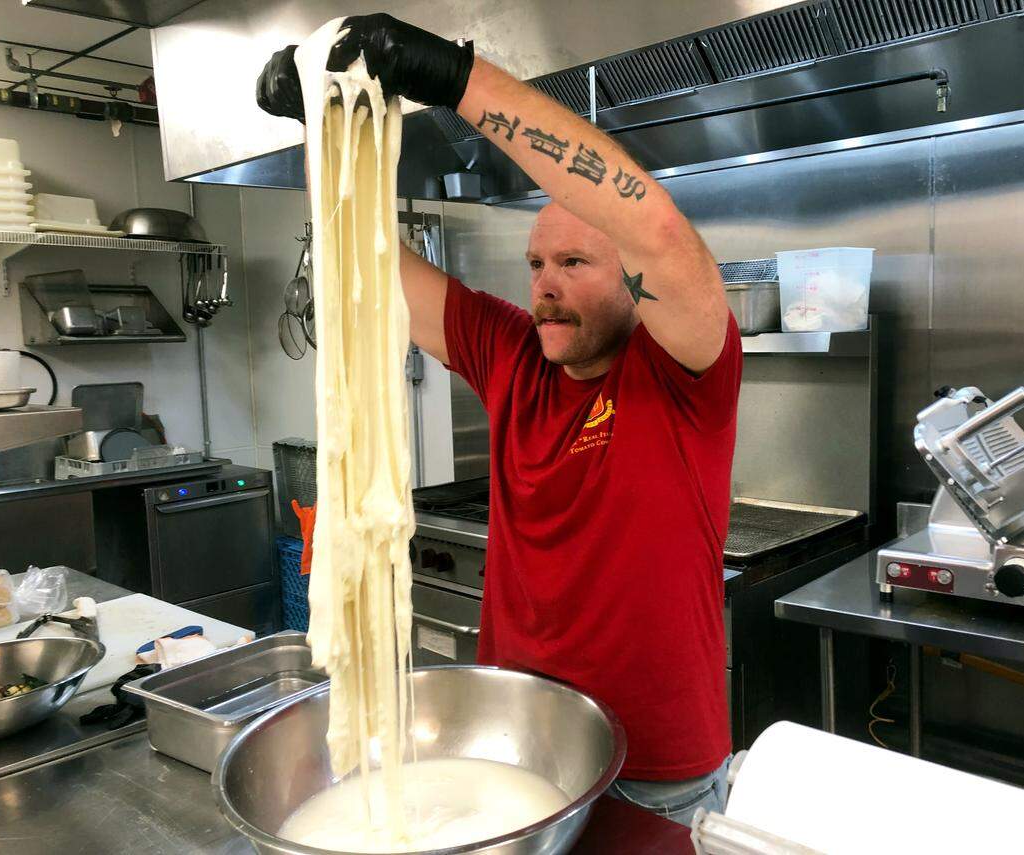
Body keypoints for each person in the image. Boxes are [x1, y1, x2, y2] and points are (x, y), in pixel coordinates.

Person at [257, 14, 742, 827]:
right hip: (519, 758)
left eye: (576, 263)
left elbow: (655, 228)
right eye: (537, 264)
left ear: (631, 280)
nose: (545, 284)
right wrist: (324, 125)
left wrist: (457, 81)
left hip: (657, 771)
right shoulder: (511, 353)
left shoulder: (685, 370)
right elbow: (370, 258)